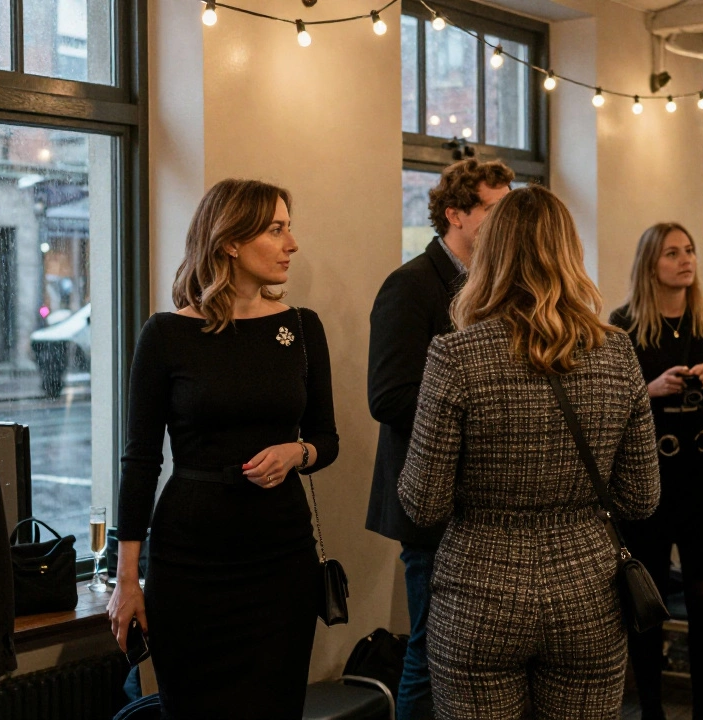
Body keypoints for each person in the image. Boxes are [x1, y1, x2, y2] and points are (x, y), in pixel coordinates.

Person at [397, 185, 660, 718]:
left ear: (490, 255)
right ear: (571, 254)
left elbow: (422, 505)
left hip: (478, 591)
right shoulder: (617, 353)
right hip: (588, 591)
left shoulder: (455, 355)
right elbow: (641, 499)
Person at [107, 178, 339, 720]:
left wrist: (294, 454)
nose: (292, 243)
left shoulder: (302, 329)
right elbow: (141, 461)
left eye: (289, 228)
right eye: (276, 229)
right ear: (230, 241)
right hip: (189, 562)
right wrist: (127, 581)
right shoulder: (165, 335)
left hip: (280, 559)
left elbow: (326, 440)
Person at [367, 158, 513, 720]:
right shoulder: (410, 285)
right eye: (495, 210)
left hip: (482, 500)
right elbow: (388, 396)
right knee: (428, 655)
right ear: (455, 214)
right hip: (431, 500)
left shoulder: (494, 285)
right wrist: (475, 413)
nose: (507, 222)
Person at [608, 223, 703, 720]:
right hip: (647, 485)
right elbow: (607, 404)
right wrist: (649, 389)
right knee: (647, 606)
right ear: (649, 264)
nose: (686, 260)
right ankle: (652, 712)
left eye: (690, 251)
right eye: (672, 253)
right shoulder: (624, 326)